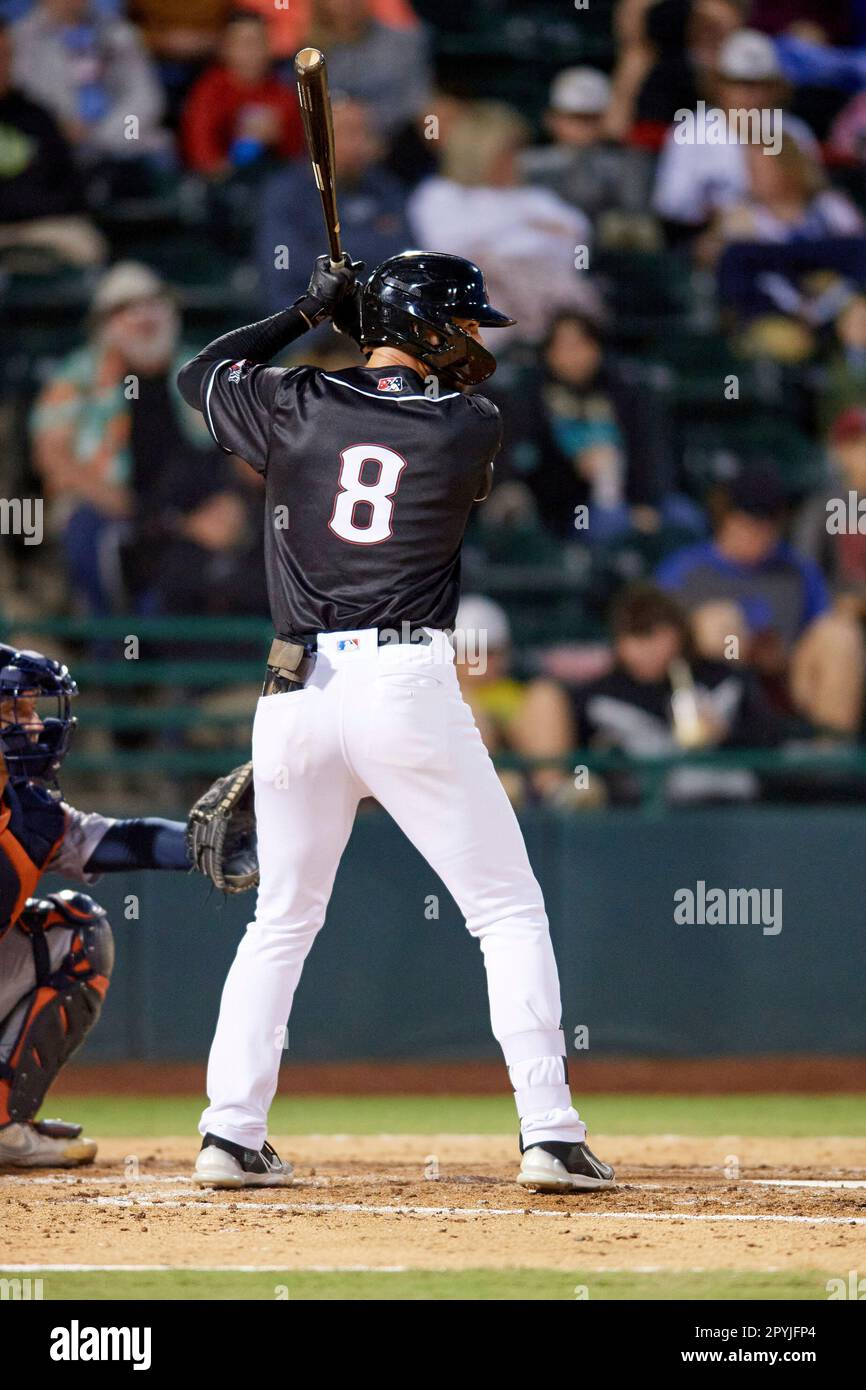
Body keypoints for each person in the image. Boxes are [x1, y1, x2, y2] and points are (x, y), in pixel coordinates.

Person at [177, 249, 615, 1194]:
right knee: (505, 908)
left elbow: (197, 375)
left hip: (292, 695)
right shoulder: (471, 427)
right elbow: (392, 412)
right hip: (404, 684)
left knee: (281, 920)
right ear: (421, 328)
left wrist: (304, 310)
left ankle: (230, 1131)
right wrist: (346, 326)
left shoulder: (295, 403)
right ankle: (549, 1131)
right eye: (457, 325)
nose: (468, 344)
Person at [0, 645, 208, 1168]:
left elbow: (123, 840)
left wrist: (214, 842)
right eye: (15, 711)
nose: (34, 725)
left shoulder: (32, 813)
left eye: (31, 709)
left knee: (76, 931)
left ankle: (3, 1125)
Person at [30, 261, 244, 615]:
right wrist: (132, 509)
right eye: (128, 308)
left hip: (194, 505)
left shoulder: (198, 369)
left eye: (153, 303)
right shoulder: (78, 376)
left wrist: (229, 502)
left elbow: (241, 448)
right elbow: (51, 456)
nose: (144, 316)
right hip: (111, 507)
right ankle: (110, 652)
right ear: (104, 324)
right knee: (90, 534)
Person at [657, 467, 864, 734]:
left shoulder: (797, 570)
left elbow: (819, 631)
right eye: (749, 522)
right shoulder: (685, 570)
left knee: (841, 633)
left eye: (768, 524)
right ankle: (722, 739)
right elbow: (660, 639)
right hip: (710, 692)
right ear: (726, 518)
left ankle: (828, 756)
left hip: (787, 683)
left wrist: (778, 655)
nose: (759, 533)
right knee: (721, 623)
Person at [409, 101, 595, 343]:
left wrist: (498, 239)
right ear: (478, 152)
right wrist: (525, 227)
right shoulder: (440, 193)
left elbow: (575, 236)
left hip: (543, 298)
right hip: (476, 304)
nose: (515, 161)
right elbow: (448, 247)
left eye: (517, 152)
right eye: (506, 153)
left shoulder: (532, 197)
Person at [653, 27, 819, 237]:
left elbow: (814, 194)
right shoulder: (692, 130)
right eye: (740, 83)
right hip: (713, 237)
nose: (752, 94)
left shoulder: (794, 131)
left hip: (787, 236)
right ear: (719, 83)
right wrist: (716, 209)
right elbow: (671, 203)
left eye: (762, 84)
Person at [255, 97, 409, 316]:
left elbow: (404, 259)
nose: (359, 144)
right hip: (308, 323)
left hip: (377, 320)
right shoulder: (287, 193)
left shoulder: (385, 189)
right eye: (347, 133)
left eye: (365, 133)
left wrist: (334, 254)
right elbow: (285, 265)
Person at [0, 17, 106, 267]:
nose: (2, 65)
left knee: (88, 244)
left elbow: (71, 190)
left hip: (44, 228)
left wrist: (23, 210)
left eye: (6, 55)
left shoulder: (36, 116)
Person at [11, 0, 168, 162]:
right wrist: (58, 128)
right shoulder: (19, 39)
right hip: (51, 148)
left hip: (122, 145)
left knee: (156, 155)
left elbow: (145, 99)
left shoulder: (119, 32)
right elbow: (22, 100)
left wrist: (108, 136)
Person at [519, 66, 653, 231]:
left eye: (591, 118)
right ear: (552, 119)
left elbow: (635, 223)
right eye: (575, 117)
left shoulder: (628, 164)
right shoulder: (526, 163)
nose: (583, 127)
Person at [181, 9, 303, 177]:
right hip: (221, 185)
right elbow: (200, 152)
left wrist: (280, 135)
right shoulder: (209, 91)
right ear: (225, 48)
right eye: (244, 44)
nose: (252, 53)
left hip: (275, 180)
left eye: (259, 43)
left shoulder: (284, 92)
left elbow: (299, 155)